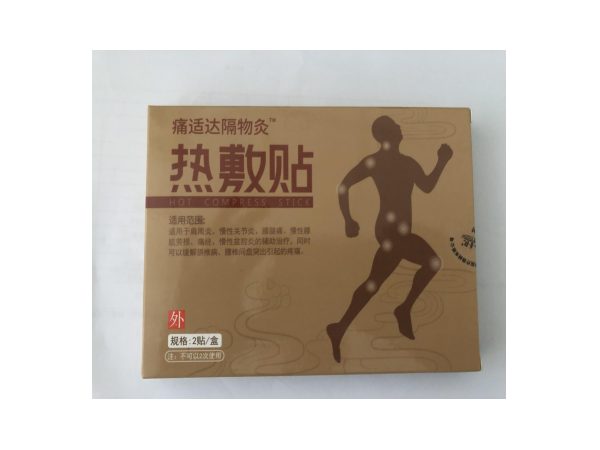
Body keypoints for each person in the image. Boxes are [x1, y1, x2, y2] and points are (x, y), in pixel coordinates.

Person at [327, 116, 453, 363]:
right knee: (432, 262)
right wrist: (348, 220)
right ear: (386, 134)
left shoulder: (408, 163)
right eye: (395, 126)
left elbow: (427, 186)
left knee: (373, 283)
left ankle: (340, 327)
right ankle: (403, 309)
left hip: (398, 233)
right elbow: (343, 186)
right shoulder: (375, 162)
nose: (400, 127)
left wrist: (442, 161)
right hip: (388, 232)